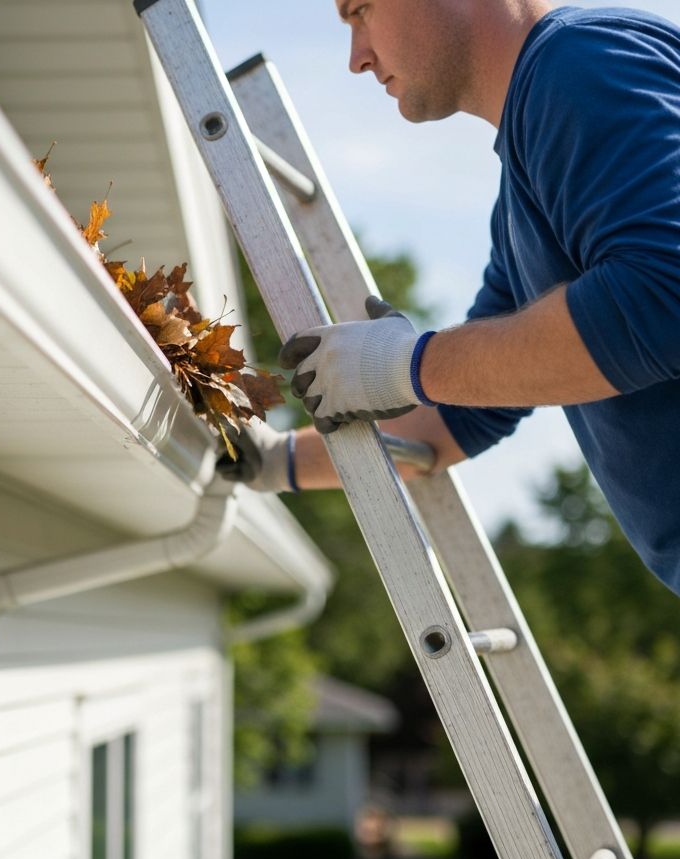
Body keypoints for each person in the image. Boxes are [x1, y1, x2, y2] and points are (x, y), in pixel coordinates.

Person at [220, 0, 680, 596]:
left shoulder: (581, 64)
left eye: (360, 11)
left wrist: (403, 365)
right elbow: (465, 409)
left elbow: (665, 293)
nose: (356, 58)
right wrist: (271, 461)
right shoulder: (520, 194)